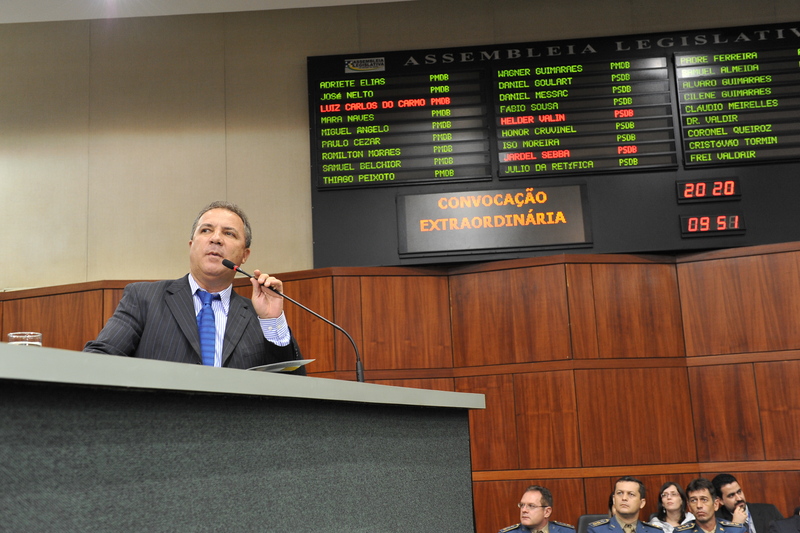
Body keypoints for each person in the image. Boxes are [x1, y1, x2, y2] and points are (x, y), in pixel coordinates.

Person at [84, 201, 305, 371]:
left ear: (244, 255)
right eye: (206, 230)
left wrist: (273, 321)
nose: (216, 239)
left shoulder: (260, 318)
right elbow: (98, 360)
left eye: (229, 233)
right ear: (191, 245)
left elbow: (292, 387)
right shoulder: (144, 299)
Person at [587, 477, 663, 533]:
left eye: (631, 494)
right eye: (620, 493)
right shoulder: (597, 530)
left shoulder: (655, 531)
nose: (624, 498)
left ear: (642, 503)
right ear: (614, 499)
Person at [712, 474, 783, 533]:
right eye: (731, 495)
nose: (739, 498)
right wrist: (735, 525)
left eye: (739, 492)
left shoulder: (769, 511)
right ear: (720, 501)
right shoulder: (715, 521)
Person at [676, 478, 747, 533]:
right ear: (689, 507)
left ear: (716, 504)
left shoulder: (735, 530)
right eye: (693, 500)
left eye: (704, 500)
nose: (699, 505)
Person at [500, 485, 575, 533]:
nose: (524, 510)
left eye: (531, 506)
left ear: (547, 512)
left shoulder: (567, 531)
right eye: (522, 505)